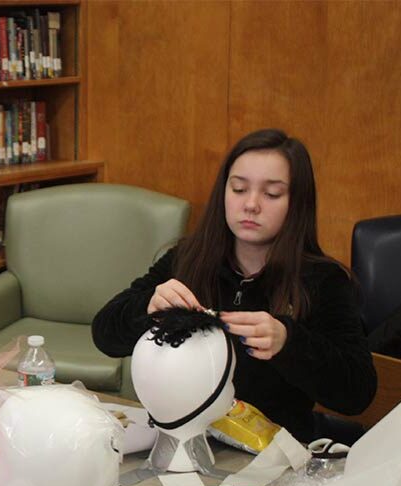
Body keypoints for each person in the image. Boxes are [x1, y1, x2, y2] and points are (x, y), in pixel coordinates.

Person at [92, 129, 377, 442]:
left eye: (271, 194)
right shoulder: (188, 259)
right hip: (184, 442)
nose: (251, 204)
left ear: (297, 203)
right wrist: (147, 305)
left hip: (274, 455)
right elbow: (105, 334)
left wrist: (288, 341)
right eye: (239, 189)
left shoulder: (323, 280)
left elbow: (357, 393)